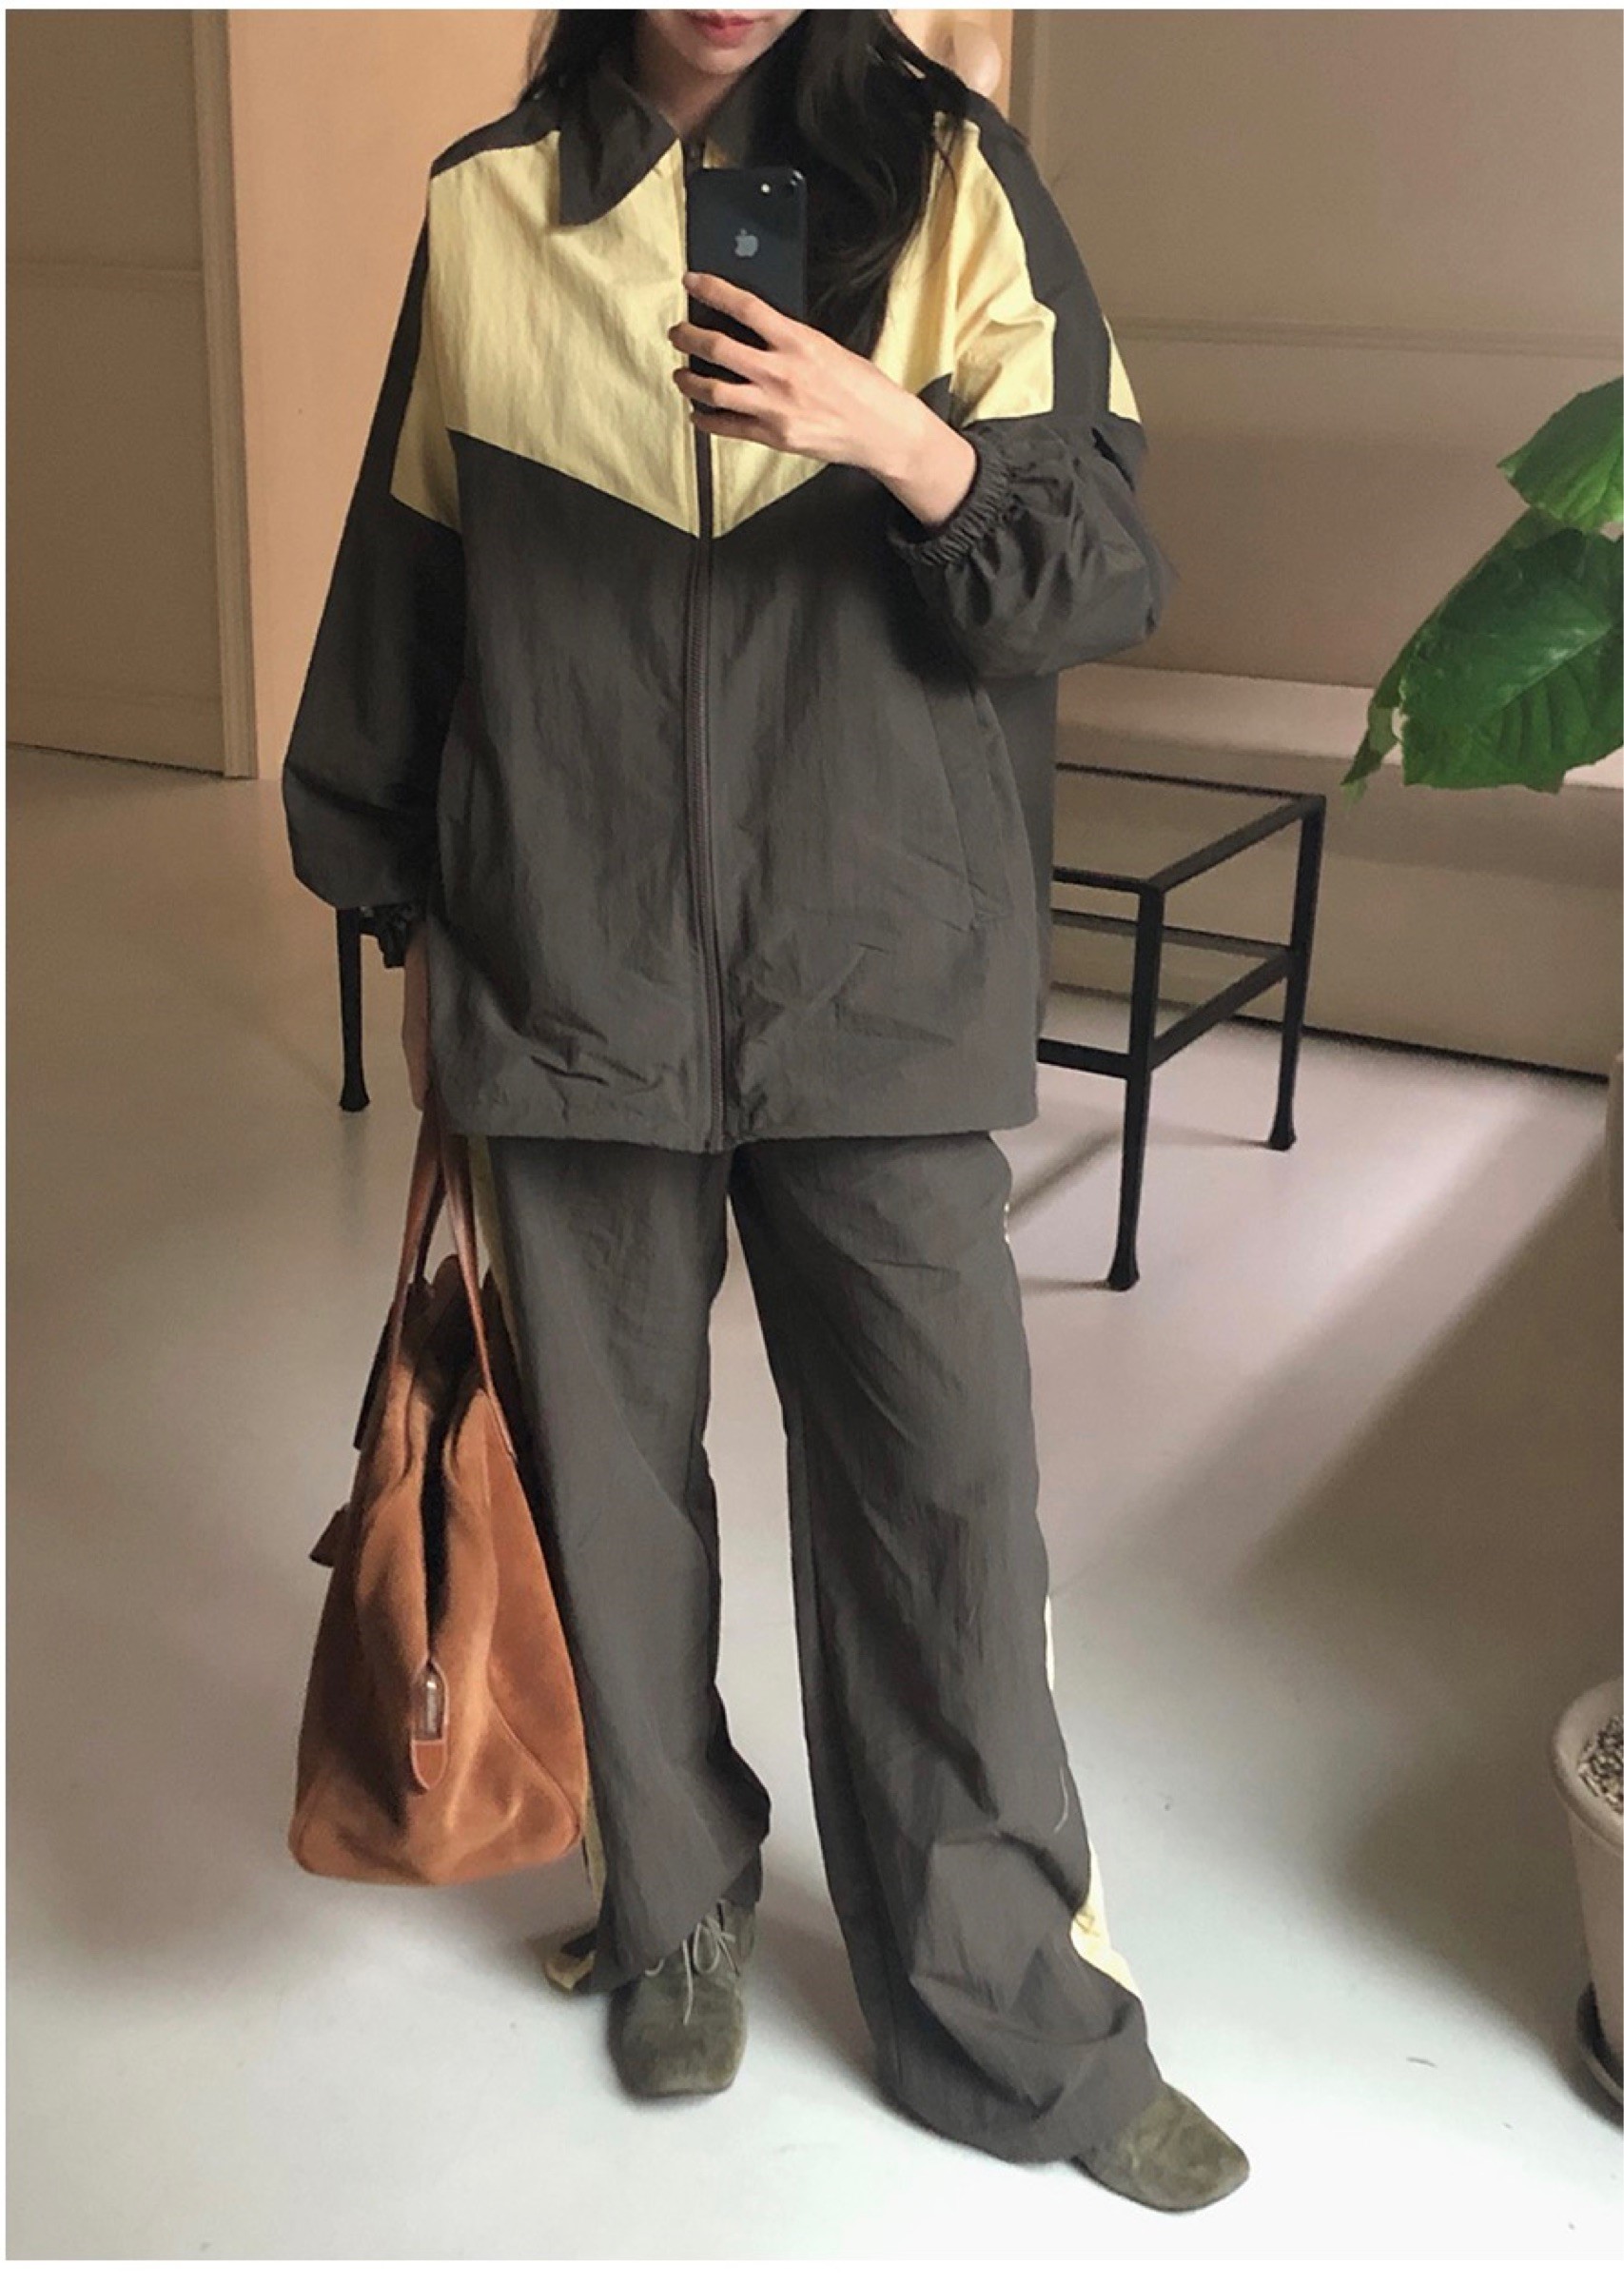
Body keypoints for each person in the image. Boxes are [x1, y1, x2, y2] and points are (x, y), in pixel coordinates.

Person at [282, 6, 1248, 2213]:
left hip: (874, 960)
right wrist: (400, 895)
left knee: (942, 1507)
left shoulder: (952, 185)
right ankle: (672, 1906)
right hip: (569, 962)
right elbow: (407, 577)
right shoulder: (491, 210)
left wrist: (898, 443)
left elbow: (1093, 567)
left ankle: (1006, 2016)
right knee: (605, 1491)